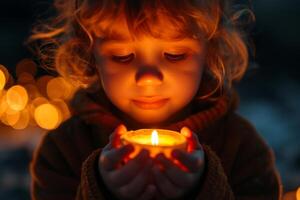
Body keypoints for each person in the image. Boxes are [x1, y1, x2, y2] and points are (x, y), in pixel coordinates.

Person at [29, 0, 283, 199]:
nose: (148, 78)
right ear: (89, 53)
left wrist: (204, 187)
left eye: (174, 55)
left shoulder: (241, 148)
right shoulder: (64, 151)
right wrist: (101, 189)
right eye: (122, 56)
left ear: (209, 51)